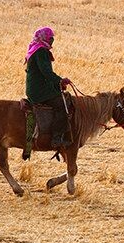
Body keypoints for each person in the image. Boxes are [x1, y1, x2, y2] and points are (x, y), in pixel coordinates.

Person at [23, 26, 72, 160]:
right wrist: (60, 81)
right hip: (39, 90)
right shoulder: (41, 52)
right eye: (50, 38)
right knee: (62, 105)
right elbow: (46, 73)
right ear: (45, 38)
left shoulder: (37, 50)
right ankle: (57, 137)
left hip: (37, 87)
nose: (52, 41)